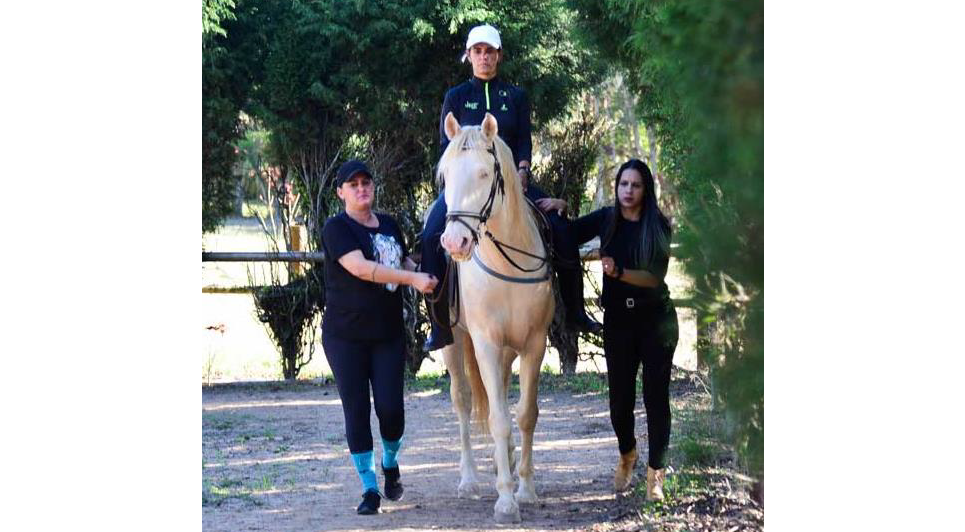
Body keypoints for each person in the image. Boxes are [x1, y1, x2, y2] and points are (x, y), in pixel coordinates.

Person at [420, 23, 601, 351]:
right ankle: (439, 325)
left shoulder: (516, 96)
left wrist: (522, 170)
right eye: (478, 51)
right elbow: (445, 147)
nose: (484, 57)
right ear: (469, 55)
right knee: (431, 233)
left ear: (499, 55)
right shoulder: (456, 97)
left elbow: (524, 141)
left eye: (490, 51)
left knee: (560, 227)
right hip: (466, 188)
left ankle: (575, 311)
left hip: (513, 183)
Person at [320, 160, 439, 515]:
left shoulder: (389, 224)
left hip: (387, 334)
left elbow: (400, 262)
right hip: (345, 337)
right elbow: (362, 269)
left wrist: (426, 276)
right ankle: (369, 488)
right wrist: (413, 281)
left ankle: (390, 463)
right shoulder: (336, 228)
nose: (360, 188)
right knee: (356, 410)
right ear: (341, 192)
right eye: (352, 184)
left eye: (366, 182)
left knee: (391, 409)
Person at [568, 159, 679, 500]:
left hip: (655, 320)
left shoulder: (657, 224)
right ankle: (627, 453)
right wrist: (557, 209)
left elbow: (653, 277)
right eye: (623, 184)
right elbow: (568, 233)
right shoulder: (606, 219)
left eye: (635, 185)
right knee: (619, 403)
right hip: (618, 322)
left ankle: (655, 476)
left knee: (655, 399)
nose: (628, 191)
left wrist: (618, 273)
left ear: (646, 190)